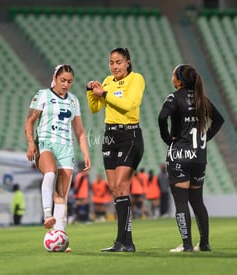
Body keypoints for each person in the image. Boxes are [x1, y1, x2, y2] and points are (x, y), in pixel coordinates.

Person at [158, 64, 224, 252]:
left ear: (178, 80)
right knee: (197, 201)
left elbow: (162, 117)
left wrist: (167, 138)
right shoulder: (202, 99)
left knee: (181, 201)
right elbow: (219, 120)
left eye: (173, 75)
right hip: (199, 156)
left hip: (180, 155)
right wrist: (206, 138)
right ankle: (204, 244)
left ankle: (186, 245)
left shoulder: (174, 97)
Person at [24, 64, 91, 252]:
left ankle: (60, 235)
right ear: (55, 78)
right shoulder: (43, 95)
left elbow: (79, 131)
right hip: (45, 144)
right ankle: (47, 215)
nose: (66, 84)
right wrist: (31, 143)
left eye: (70, 81)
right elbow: (29, 122)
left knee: (61, 195)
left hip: (66, 149)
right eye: (63, 80)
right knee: (50, 172)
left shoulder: (74, 101)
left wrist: (85, 153)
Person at [87, 47, 145, 252]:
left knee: (121, 185)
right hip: (110, 136)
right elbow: (95, 108)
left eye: (118, 62)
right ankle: (123, 242)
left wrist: (105, 93)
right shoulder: (107, 81)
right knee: (114, 189)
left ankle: (126, 241)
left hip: (130, 135)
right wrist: (91, 92)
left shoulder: (136, 79)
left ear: (128, 62)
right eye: (111, 62)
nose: (114, 66)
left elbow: (130, 104)